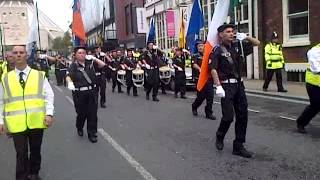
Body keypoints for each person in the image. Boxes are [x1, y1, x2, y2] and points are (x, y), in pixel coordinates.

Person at [0, 45, 54, 180]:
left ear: (26, 55)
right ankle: (22, 177)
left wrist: (49, 113)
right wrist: (1, 121)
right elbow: (1, 101)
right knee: (21, 153)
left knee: (35, 150)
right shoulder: (5, 78)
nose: (18, 54)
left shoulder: (39, 75)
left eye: (21, 52)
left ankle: (34, 173)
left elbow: (49, 95)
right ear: (11, 55)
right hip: (16, 124)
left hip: (37, 120)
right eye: (15, 52)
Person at [210, 24, 260, 158]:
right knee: (228, 117)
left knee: (243, 115)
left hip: (239, 86)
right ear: (221, 34)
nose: (232, 34)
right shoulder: (217, 50)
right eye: (228, 32)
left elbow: (257, 43)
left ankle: (238, 146)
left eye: (233, 31)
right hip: (226, 87)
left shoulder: (239, 47)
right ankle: (220, 135)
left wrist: (246, 37)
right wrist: (218, 85)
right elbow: (213, 69)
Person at [66, 46, 105, 143]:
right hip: (80, 93)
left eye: (83, 52)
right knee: (81, 113)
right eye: (79, 53)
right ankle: (79, 126)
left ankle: (92, 133)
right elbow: (68, 76)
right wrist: (70, 83)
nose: (82, 54)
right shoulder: (73, 66)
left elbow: (102, 65)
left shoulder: (90, 63)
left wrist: (94, 58)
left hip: (92, 92)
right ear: (75, 55)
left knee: (92, 114)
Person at [296, 43, 320, 134]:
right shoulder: (315, 51)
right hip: (313, 84)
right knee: (315, 106)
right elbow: (316, 69)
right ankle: (301, 123)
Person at [191, 40, 216, 120]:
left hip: (208, 79)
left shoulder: (208, 55)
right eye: (199, 46)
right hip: (199, 79)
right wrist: (200, 69)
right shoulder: (195, 55)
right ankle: (194, 106)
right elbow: (194, 64)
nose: (201, 47)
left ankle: (209, 113)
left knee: (210, 96)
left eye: (202, 46)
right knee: (201, 97)